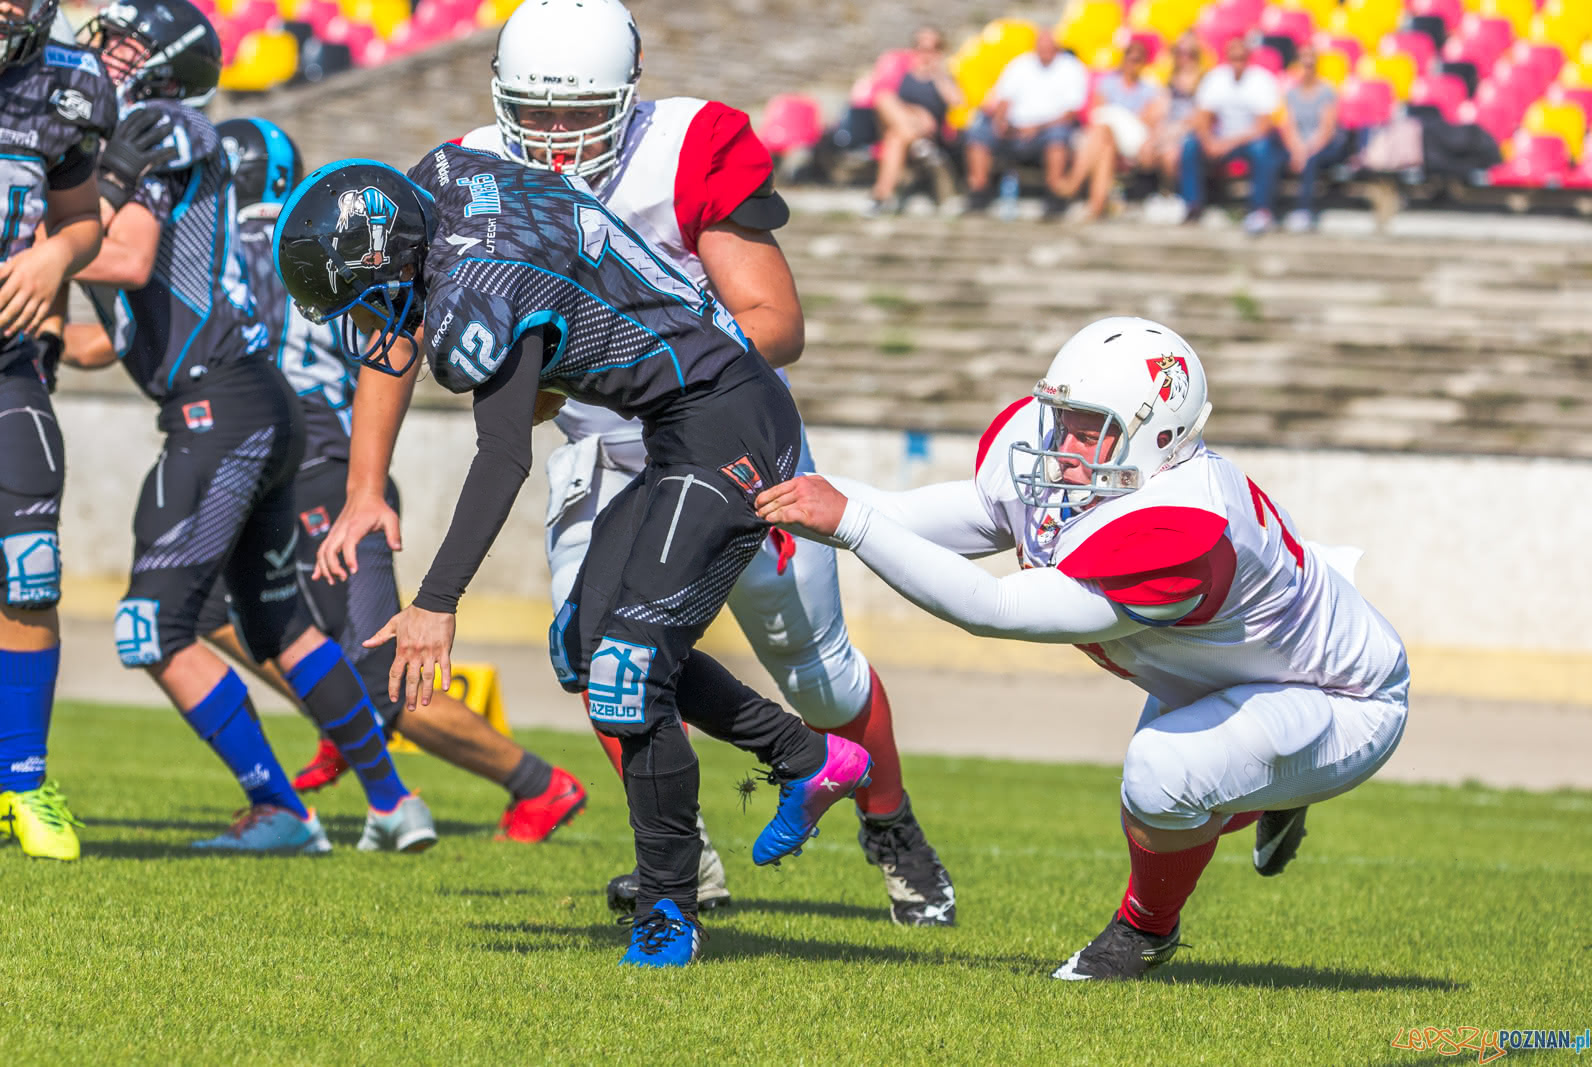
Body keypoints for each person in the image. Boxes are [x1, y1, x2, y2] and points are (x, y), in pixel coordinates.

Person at [410, 0, 953, 924]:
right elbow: (405, 343)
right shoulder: (468, 169)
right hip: (604, 453)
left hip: (724, 439)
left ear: (626, 94)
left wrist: (632, 347)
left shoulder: (686, 144)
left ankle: (891, 820)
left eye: (575, 113)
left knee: (817, 671)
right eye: (532, 113)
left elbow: (777, 327)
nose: (549, 138)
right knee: (596, 657)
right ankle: (683, 860)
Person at [273, 147, 874, 967]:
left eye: (367, 300)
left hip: (726, 422)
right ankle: (809, 757)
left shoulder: (472, 286)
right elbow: (552, 331)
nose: (372, 325)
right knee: (588, 649)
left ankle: (669, 908)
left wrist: (436, 601)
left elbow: (502, 457)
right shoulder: (444, 179)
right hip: (680, 421)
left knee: (628, 672)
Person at [756, 315, 1410, 980]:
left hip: (1342, 696)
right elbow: (926, 516)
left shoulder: (1181, 527)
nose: (1061, 441)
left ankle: (1145, 931)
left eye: (1088, 427)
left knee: (1161, 777)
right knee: (1177, 792)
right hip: (1224, 672)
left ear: (1158, 435)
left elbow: (996, 607)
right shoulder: (1085, 467)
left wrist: (850, 522)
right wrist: (777, 495)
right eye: (1062, 415)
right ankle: (1268, 791)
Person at [62, 0, 433, 854]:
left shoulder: (156, 122)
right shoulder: (156, 129)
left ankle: (280, 808)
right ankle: (393, 801)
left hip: (219, 410)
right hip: (250, 404)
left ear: (163, 62)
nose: (106, 56)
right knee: (278, 623)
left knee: (151, 625)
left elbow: (124, 257)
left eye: (123, 42)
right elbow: (126, 312)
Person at [203, 117, 587, 843]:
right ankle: (345, 719)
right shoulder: (320, 247)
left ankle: (538, 785)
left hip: (319, 468)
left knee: (382, 673)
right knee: (207, 612)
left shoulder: (243, 250)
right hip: (308, 468)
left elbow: (398, 341)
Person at [0, 0, 116, 861]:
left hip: (4, 363)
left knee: (30, 570)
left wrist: (53, 256)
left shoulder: (70, 83)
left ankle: (26, 783)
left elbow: (81, 219)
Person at [962, 28, 1090, 218]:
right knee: (979, 134)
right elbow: (1004, 98)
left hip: (1048, 129)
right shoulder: (1020, 64)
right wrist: (1000, 120)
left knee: (1058, 137)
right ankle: (979, 192)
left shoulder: (1071, 68)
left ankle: (1055, 195)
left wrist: (1036, 128)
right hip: (1014, 128)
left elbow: (1070, 113)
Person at [1179, 35, 1282, 234]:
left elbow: (1262, 127)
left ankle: (1260, 209)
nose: (1237, 63)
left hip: (1247, 141)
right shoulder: (1215, 79)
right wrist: (1209, 141)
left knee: (1263, 148)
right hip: (1221, 139)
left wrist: (1226, 143)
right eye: (1233, 58)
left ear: (1249, 57)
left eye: (1241, 57)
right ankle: (1192, 205)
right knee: (1190, 145)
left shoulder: (1262, 81)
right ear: (1226, 57)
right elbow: (1202, 117)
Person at [1056, 38, 1163, 222]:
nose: (1133, 64)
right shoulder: (1108, 83)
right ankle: (1096, 206)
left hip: (1131, 141)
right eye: (1130, 59)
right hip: (1107, 138)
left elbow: (1146, 123)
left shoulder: (1149, 90)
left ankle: (1073, 184)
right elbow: (1099, 113)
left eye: (1138, 60)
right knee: (1105, 144)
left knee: (1103, 131)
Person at [866, 26, 964, 215]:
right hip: (907, 127)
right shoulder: (902, 73)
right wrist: (916, 113)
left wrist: (938, 74)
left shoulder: (944, 77)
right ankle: (917, 142)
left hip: (930, 134)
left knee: (895, 138)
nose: (926, 54)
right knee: (886, 103)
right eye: (921, 47)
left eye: (933, 48)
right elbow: (882, 99)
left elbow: (957, 101)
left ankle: (880, 196)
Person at [1277, 44, 1349, 233]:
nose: (1307, 67)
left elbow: (1326, 129)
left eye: (1310, 62)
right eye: (1303, 62)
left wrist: (1305, 151)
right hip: (1301, 145)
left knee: (1310, 161)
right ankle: (1264, 209)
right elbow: (1289, 125)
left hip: (1323, 145)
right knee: (1271, 155)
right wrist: (1296, 148)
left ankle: (1304, 210)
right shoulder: (1291, 94)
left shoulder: (1326, 91)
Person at [1142, 33, 1205, 222]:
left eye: (1189, 53)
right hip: (1170, 130)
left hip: (1190, 132)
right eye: (1179, 53)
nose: (1184, 58)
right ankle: (1165, 197)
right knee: (1150, 149)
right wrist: (1155, 136)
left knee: (1172, 153)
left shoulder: (1204, 80)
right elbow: (1158, 111)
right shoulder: (1170, 82)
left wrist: (1170, 134)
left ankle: (1181, 200)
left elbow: (1199, 117)